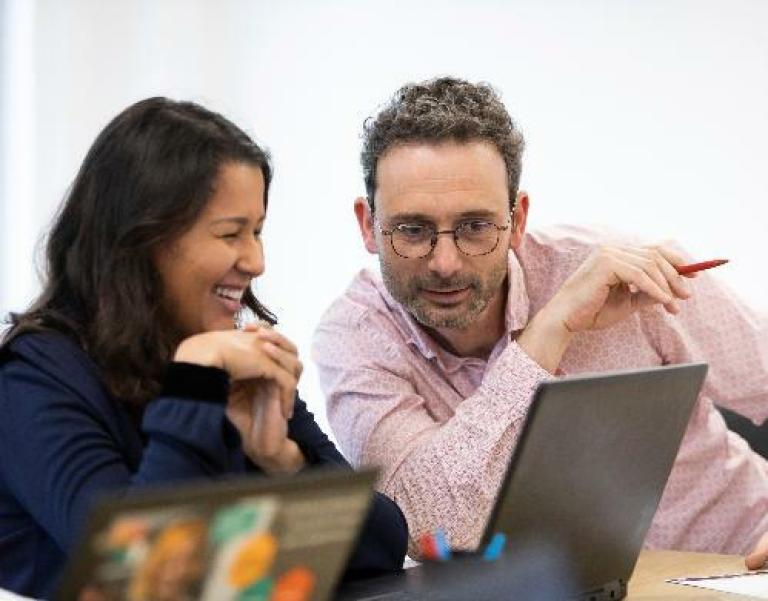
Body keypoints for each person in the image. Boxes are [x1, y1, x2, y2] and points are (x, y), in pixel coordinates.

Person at [311, 77, 768, 566]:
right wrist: (547, 334)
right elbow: (429, 526)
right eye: (412, 230)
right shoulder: (355, 338)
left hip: (742, 566)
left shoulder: (616, 271)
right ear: (367, 224)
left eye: (475, 227)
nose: (444, 262)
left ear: (519, 219)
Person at [0, 97, 407, 599]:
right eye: (231, 233)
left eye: (256, 231)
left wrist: (285, 461)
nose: (256, 261)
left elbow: (384, 549)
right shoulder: (29, 380)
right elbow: (144, 577)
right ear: (143, 240)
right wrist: (192, 382)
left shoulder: (232, 361)